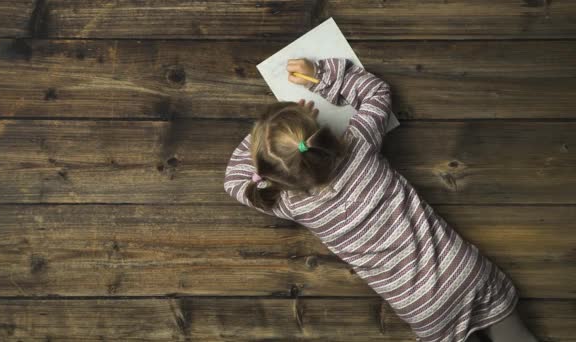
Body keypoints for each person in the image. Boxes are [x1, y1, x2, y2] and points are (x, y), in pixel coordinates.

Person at [223, 57, 538, 342]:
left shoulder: (292, 204)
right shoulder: (359, 146)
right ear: (316, 134)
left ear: (271, 173)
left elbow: (233, 181)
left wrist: (265, 141)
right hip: (462, 269)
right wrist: (319, 76)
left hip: (420, 306)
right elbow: (377, 93)